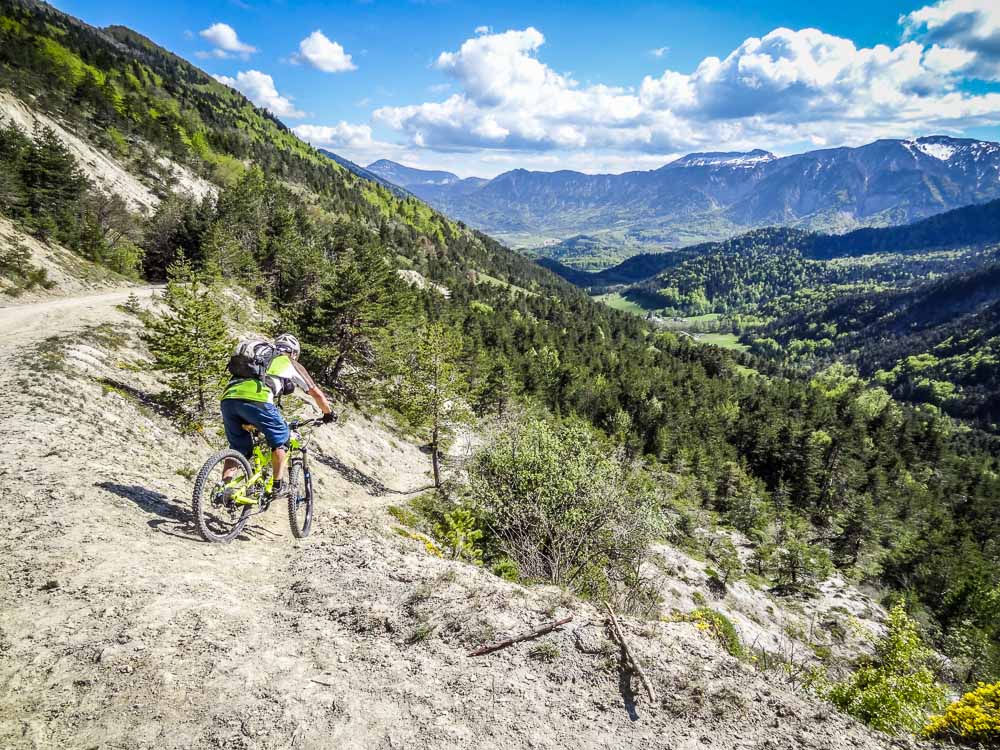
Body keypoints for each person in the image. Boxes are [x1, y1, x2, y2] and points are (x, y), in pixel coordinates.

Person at [220, 333, 334, 502]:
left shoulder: (258, 359)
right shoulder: (289, 361)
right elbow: (315, 393)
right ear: (294, 352)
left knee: (238, 448)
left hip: (228, 399)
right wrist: (328, 413)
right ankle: (277, 486)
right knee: (281, 440)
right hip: (258, 400)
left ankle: (224, 488)